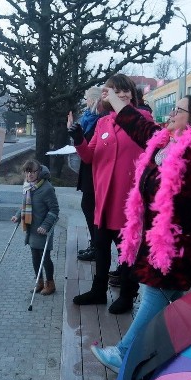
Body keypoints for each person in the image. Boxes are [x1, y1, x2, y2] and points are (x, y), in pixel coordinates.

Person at [93, 71, 191, 380]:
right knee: (158, 302)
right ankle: (135, 378)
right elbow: (136, 124)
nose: (170, 115)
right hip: (161, 242)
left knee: (156, 295)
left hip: (187, 247)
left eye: (178, 111)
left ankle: (126, 360)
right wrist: (110, 97)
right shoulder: (163, 142)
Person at [69, 74, 151, 314]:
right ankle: (98, 291)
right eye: (116, 91)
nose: (122, 95)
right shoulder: (104, 123)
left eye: (126, 91)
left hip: (128, 199)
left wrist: (115, 100)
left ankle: (127, 294)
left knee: (127, 251)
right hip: (103, 197)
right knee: (102, 247)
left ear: (133, 95)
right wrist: (77, 139)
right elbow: (89, 156)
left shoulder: (141, 119)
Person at [11, 161, 60, 295]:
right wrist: (17, 215)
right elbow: (25, 205)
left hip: (43, 230)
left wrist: (45, 226)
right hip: (32, 229)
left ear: (38, 172)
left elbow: (54, 210)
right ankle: (39, 282)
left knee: (45, 258)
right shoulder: (27, 186)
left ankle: (50, 284)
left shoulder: (46, 188)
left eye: (32, 171)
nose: (30, 174)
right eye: (27, 171)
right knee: (35, 257)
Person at [74, 87, 106, 262]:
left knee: (90, 206)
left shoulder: (99, 120)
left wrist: (79, 138)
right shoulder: (89, 119)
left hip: (94, 170)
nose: (85, 102)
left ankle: (97, 246)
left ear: (94, 100)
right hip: (88, 169)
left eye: (87, 99)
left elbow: (93, 146)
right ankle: (95, 244)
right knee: (88, 206)